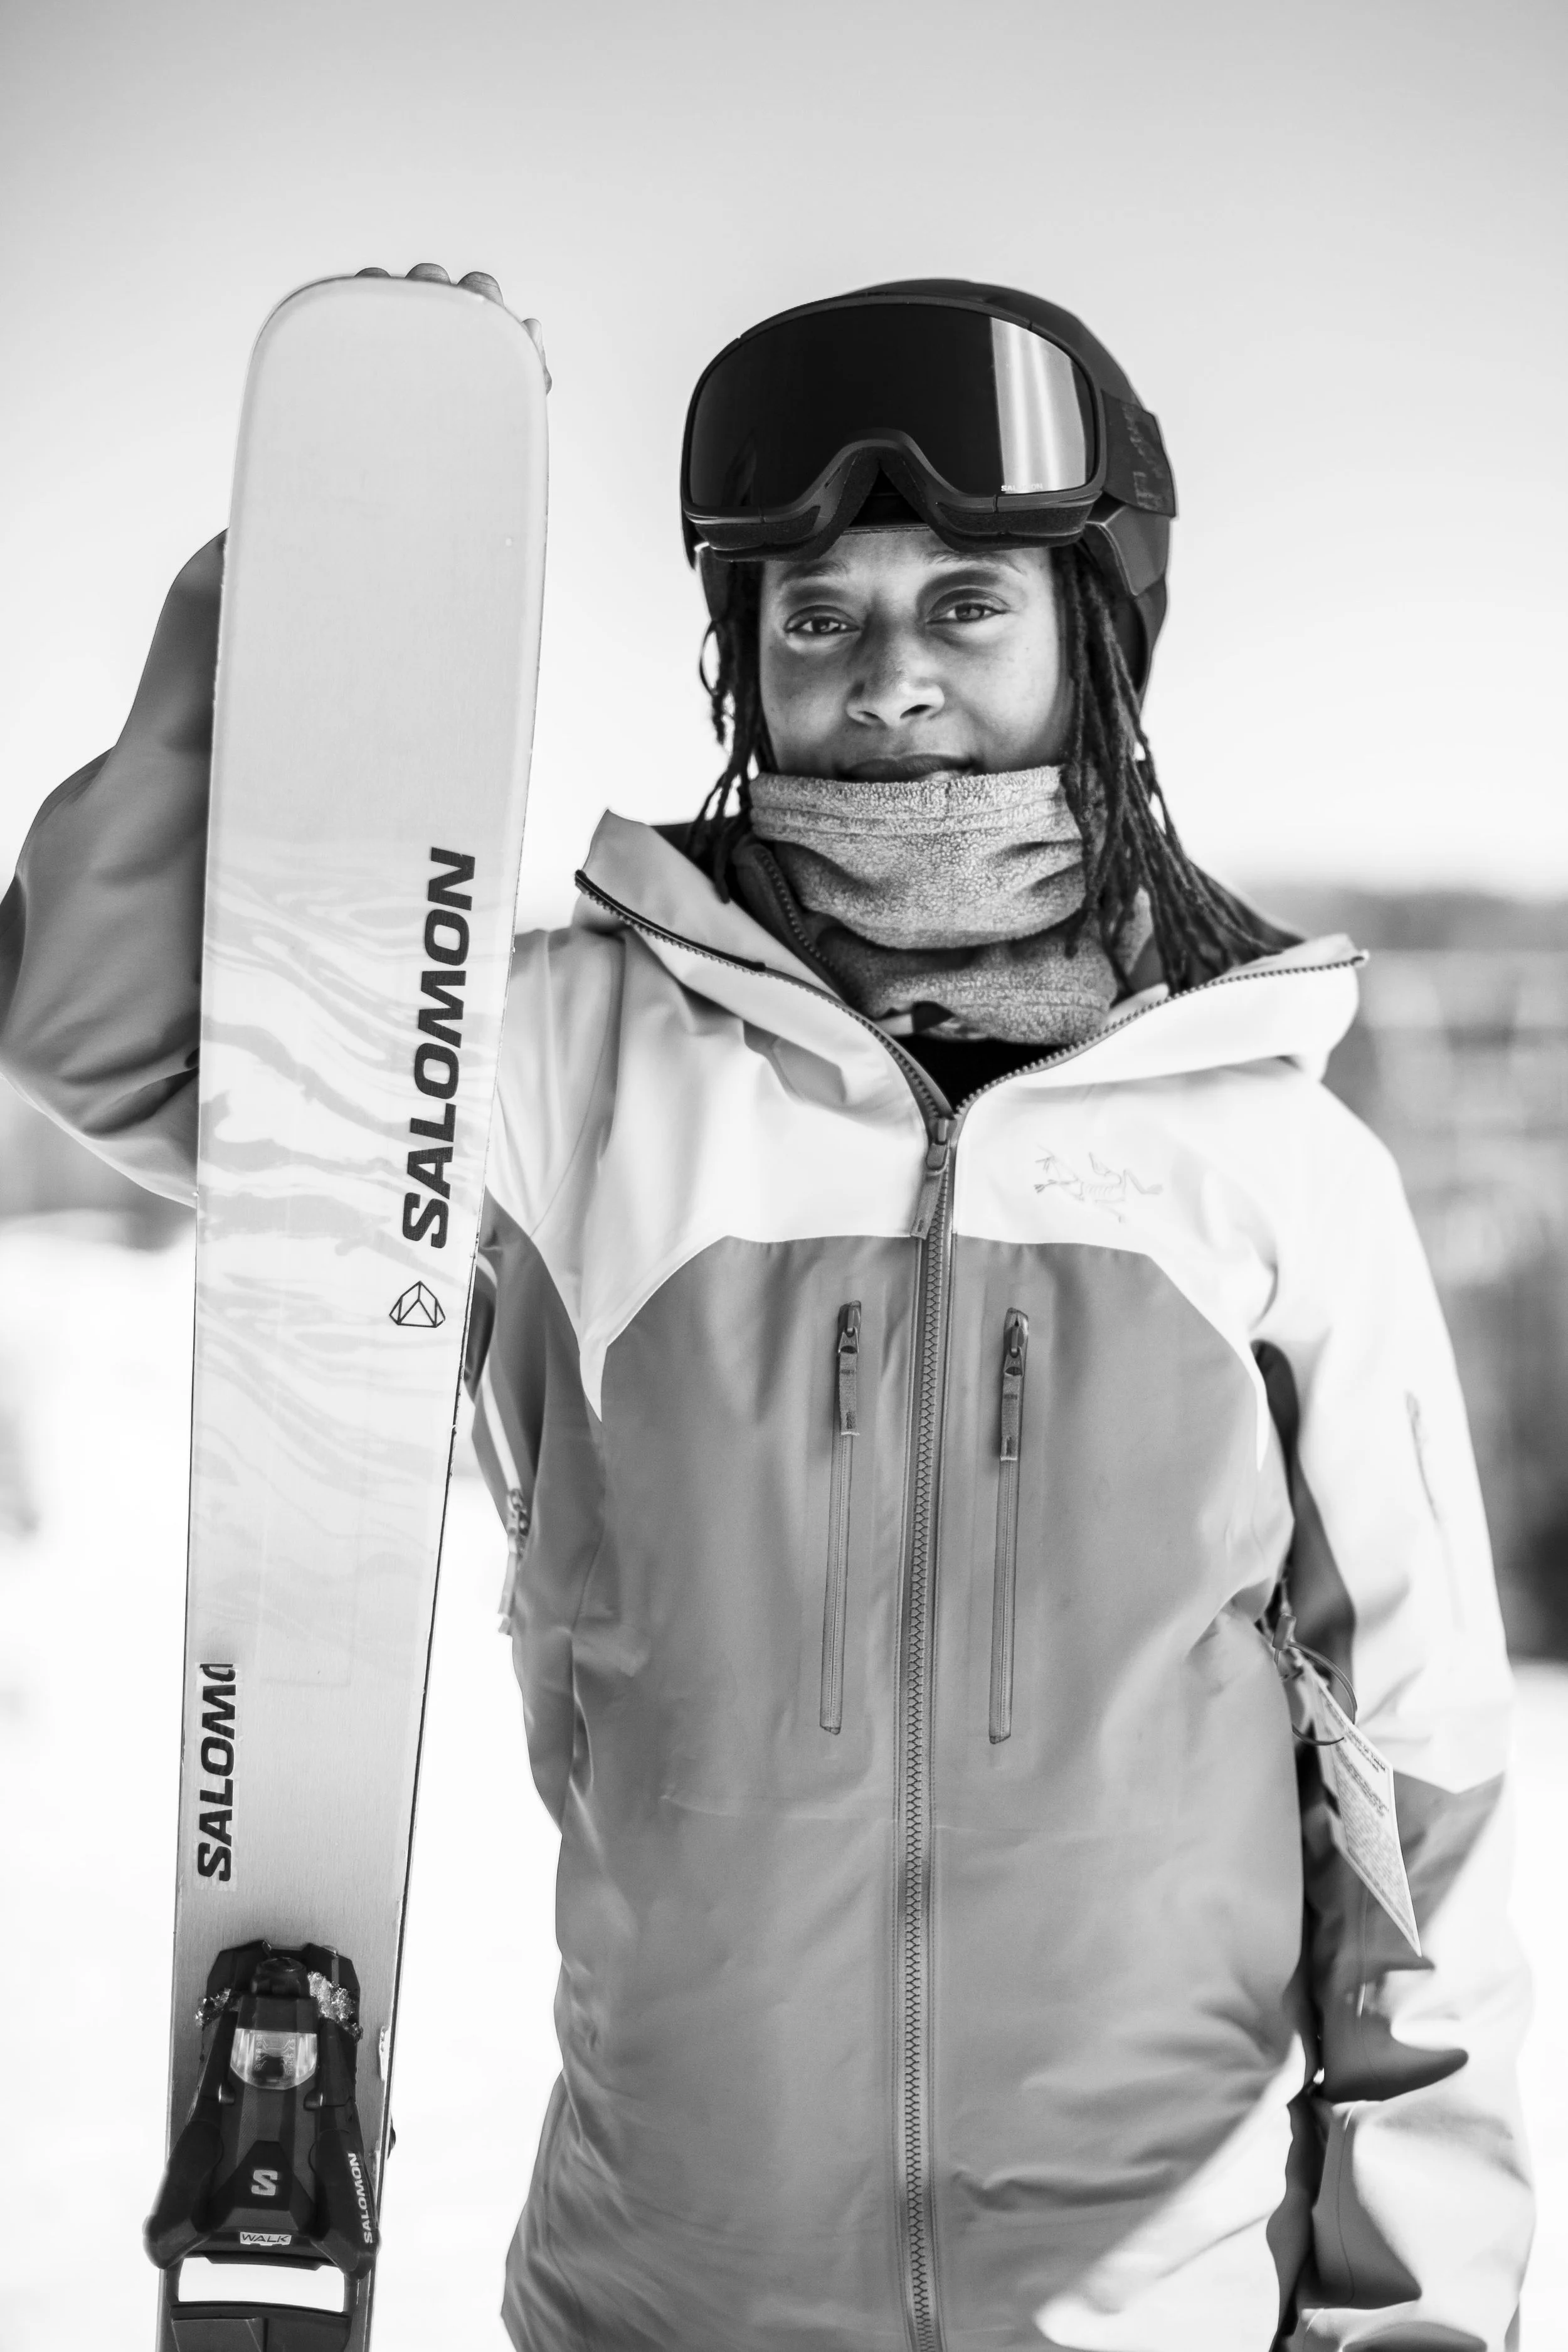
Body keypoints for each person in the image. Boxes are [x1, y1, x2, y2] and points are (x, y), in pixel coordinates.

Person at [0, 272, 1532, 2349]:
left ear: (1094, 636)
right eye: (816, 614)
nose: (886, 669)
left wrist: (1412, 2317)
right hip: (661, 2301)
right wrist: (318, 567)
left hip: (1157, 2312)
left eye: (965, 602)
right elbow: (120, 1044)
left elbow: (1412, 1816)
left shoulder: (1271, 1170)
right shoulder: (558, 1074)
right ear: (750, 665)